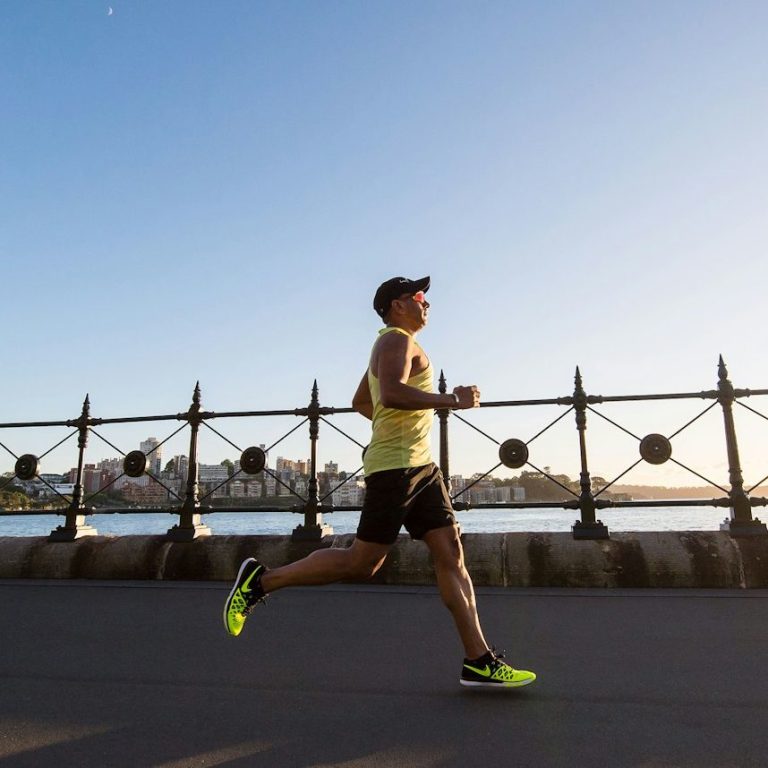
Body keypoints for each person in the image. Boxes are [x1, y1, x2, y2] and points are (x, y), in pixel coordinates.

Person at [223, 275, 536, 689]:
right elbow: (389, 394)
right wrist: (451, 401)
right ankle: (260, 581)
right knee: (362, 563)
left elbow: (362, 401)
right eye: (419, 296)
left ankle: (479, 660)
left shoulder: (397, 343)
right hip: (396, 470)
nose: (426, 303)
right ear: (397, 305)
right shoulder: (395, 341)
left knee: (451, 553)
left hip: (422, 467)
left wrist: (395, 428)